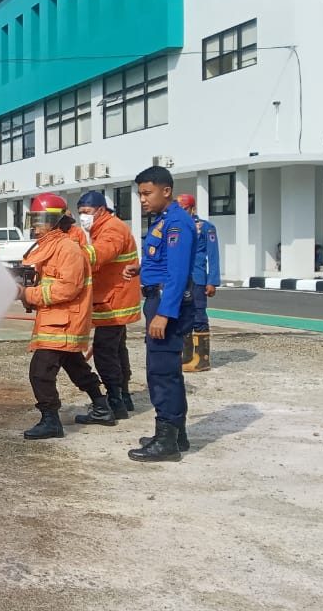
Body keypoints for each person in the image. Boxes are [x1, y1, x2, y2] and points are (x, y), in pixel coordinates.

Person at [17, 193, 107, 440]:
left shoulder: (67, 248)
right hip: (56, 320)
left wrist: (28, 293)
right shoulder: (47, 245)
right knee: (75, 366)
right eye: (33, 219)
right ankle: (102, 405)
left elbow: (67, 288)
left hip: (64, 322)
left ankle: (51, 420)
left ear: (57, 221)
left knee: (40, 371)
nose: (36, 225)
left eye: (42, 219)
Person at [124, 166, 196, 461]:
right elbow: (164, 261)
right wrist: (141, 269)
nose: (142, 199)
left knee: (162, 372)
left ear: (166, 191)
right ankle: (175, 434)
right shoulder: (164, 220)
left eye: (146, 193)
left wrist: (164, 313)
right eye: (140, 193)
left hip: (168, 304)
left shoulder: (178, 223)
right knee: (164, 370)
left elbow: (178, 274)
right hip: (158, 298)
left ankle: (167, 440)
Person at [71, 192, 142, 426]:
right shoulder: (102, 227)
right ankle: (123, 397)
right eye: (80, 212)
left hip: (114, 300)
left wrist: (70, 257)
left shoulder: (112, 229)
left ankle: (113, 402)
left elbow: (101, 253)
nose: (84, 218)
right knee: (117, 349)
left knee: (104, 351)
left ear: (101, 210)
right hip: (113, 298)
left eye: (87, 213)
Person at [177, 194, 220, 373]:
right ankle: (187, 356)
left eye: (185, 209)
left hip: (198, 277)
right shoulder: (176, 227)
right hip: (180, 278)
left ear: (192, 209)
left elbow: (213, 255)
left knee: (198, 315)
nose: (182, 213)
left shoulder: (205, 228)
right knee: (182, 317)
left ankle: (202, 358)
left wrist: (213, 281)